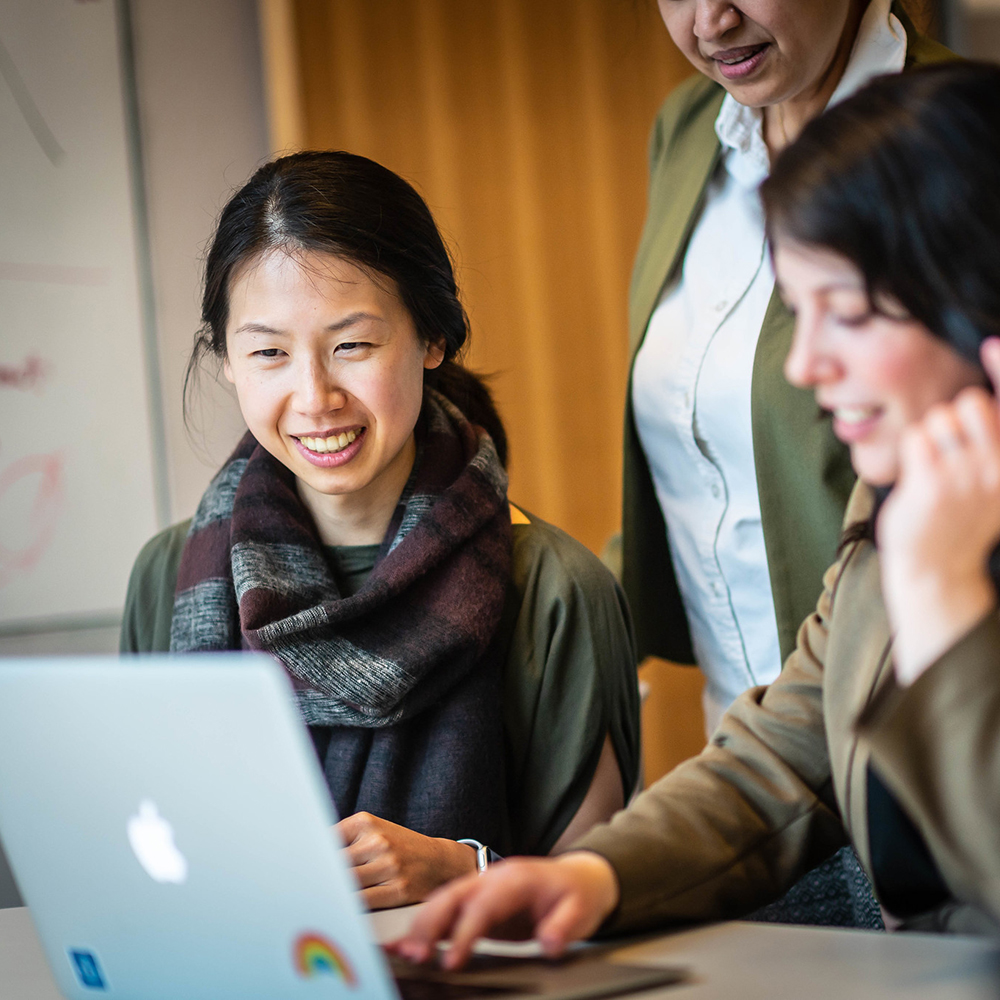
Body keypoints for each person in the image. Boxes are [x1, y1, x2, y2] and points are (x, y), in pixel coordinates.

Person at [395, 62, 1000, 962]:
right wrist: (590, 877)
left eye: (850, 314)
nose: (806, 365)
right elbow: (782, 760)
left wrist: (948, 610)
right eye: (802, 313)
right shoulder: (906, 497)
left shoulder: (933, 538)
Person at [120, 151, 641, 909]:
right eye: (268, 352)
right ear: (227, 361)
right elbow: (136, 851)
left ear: (432, 339)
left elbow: (604, 887)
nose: (314, 397)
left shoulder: (555, 586)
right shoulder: (166, 576)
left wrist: (466, 870)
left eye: (352, 346)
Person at [624, 0, 952, 926]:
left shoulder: (956, 136)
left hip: (906, 744)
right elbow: (698, 447)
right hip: (763, 742)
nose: (710, 17)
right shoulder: (689, 131)